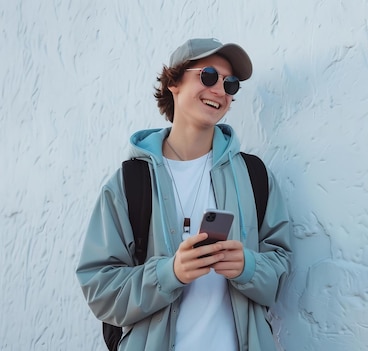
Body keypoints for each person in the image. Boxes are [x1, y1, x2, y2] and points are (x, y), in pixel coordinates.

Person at [76, 38, 292, 351]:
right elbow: (99, 288)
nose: (219, 90)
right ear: (173, 83)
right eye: (207, 76)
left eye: (230, 84)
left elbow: (281, 270)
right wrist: (170, 273)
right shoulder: (130, 182)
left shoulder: (254, 175)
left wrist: (248, 267)